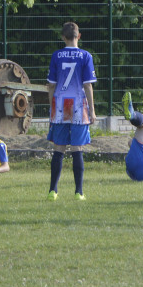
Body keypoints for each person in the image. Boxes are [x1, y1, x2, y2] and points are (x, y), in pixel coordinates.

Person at [46, 22, 97, 201]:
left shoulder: (56, 55)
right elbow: (88, 85)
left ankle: (53, 191)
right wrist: (92, 110)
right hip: (78, 105)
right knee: (77, 148)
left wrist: (51, 107)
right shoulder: (85, 56)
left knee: (58, 148)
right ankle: (79, 192)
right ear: (79, 36)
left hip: (61, 104)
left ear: (63, 37)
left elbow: (51, 85)